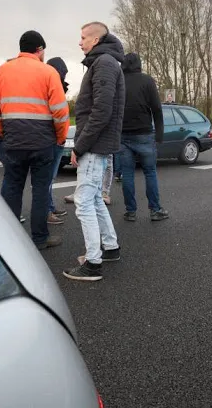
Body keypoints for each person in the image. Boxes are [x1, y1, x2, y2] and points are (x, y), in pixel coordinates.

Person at [0, 30, 69, 251]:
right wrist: (60, 138)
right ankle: (40, 238)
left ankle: (10, 239)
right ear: (40, 49)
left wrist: (5, 132)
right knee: (41, 190)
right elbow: (61, 112)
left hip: (13, 140)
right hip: (43, 142)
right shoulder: (48, 72)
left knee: (12, 186)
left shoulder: (1, 72)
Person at [63, 22, 125, 282]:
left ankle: (92, 263)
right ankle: (109, 248)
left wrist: (80, 145)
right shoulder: (104, 63)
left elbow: (100, 112)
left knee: (84, 202)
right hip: (99, 143)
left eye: (83, 38)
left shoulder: (104, 64)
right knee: (95, 198)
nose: (80, 42)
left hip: (95, 144)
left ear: (96, 39)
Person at [119, 52, 168, 222]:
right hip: (144, 134)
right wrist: (159, 135)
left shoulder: (119, 80)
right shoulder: (147, 81)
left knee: (127, 174)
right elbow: (156, 109)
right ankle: (155, 210)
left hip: (123, 135)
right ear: (139, 64)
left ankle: (130, 211)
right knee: (150, 172)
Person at [45, 57, 70, 224]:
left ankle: (50, 206)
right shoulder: (52, 84)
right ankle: (46, 211)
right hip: (52, 137)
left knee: (50, 178)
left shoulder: (50, 82)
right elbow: (58, 112)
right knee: (47, 178)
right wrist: (61, 138)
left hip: (54, 137)